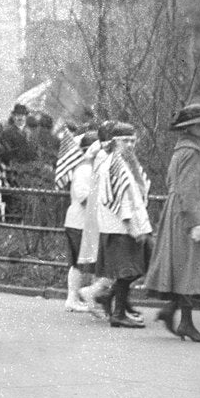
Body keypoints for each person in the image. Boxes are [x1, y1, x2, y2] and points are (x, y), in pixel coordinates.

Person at [144, 103, 200, 343]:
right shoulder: (191, 152)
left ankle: (175, 314)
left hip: (179, 212)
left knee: (185, 267)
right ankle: (184, 322)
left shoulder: (184, 150)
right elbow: (186, 190)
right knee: (191, 267)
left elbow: (182, 185)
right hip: (186, 214)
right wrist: (195, 223)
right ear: (190, 128)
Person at [86, 122, 153, 329]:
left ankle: (110, 299)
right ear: (116, 142)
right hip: (122, 227)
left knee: (135, 269)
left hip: (125, 226)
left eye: (133, 140)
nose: (131, 145)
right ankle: (117, 313)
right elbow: (122, 201)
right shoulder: (115, 164)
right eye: (126, 141)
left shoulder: (123, 162)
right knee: (129, 271)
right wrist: (134, 229)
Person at [59, 127, 103, 312]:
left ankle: (76, 298)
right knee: (80, 262)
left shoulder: (89, 167)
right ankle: (74, 298)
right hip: (80, 222)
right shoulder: (84, 169)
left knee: (80, 262)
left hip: (79, 221)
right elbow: (84, 195)